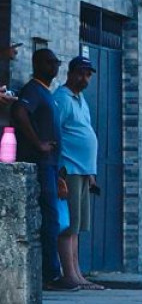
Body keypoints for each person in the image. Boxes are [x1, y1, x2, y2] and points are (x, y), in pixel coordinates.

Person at [8, 48, 63, 287]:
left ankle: (50, 272)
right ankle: (50, 274)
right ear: (38, 64)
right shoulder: (33, 90)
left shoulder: (46, 92)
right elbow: (19, 112)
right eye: (50, 62)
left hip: (51, 166)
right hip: (40, 164)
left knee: (53, 218)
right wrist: (38, 143)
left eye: (56, 62)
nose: (54, 67)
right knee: (49, 218)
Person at [49, 55, 103, 290]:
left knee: (78, 226)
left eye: (88, 74)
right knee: (68, 225)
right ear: (70, 73)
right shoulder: (61, 98)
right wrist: (58, 169)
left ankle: (78, 274)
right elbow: (55, 132)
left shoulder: (80, 99)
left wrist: (91, 172)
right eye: (81, 73)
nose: (85, 78)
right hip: (68, 168)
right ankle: (68, 274)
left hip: (83, 171)